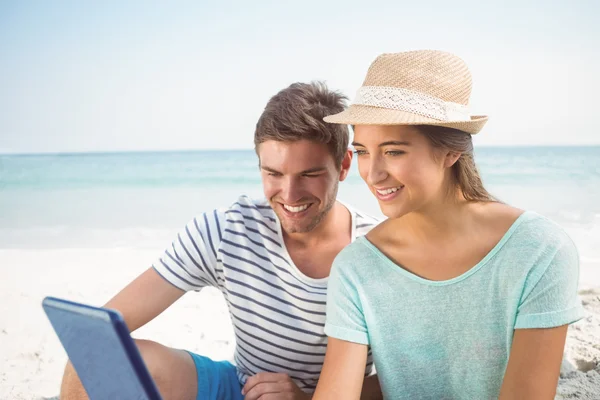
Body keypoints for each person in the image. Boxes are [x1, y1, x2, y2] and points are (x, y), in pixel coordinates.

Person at [60, 82, 383, 400]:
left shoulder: (379, 252)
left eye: (308, 175)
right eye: (273, 173)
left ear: (343, 165)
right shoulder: (228, 230)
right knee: (97, 353)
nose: (289, 194)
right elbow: (99, 331)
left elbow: (404, 382)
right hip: (242, 388)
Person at [312, 50, 586, 399]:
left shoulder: (539, 251)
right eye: (364, 151)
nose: (373, 173)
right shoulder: (356, 269)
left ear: (450, 152)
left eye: (394, 151)